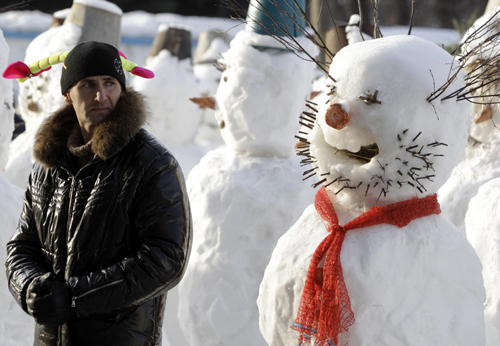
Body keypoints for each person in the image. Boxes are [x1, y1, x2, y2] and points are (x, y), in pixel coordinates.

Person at [4, 41, 192, 345]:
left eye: (109, 83)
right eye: (87, 84)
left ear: (123, 90)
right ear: (68, 94)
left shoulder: (151, 164)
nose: (100, 95)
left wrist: (76, 297)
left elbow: (166, 258)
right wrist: (29, 287)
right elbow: (22, 245)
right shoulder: (47, 165)